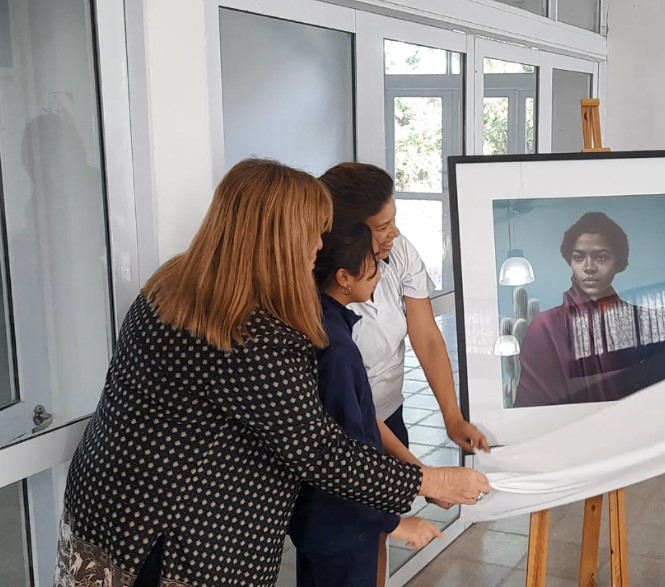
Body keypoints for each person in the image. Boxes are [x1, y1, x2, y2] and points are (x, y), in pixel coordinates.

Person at [55, 159, 490, 587]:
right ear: (276, 242)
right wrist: (431, 480)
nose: (320, 247)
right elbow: (321, 453)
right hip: (172, 538)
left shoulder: (173, 281)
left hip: (103, 504)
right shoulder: (254, 335)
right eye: (313, 235)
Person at [289, 224, 443, 587]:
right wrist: (398, 524)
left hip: (325, 524)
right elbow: (347, 454)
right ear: (344, 277)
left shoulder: (324, 327)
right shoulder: (338, 349)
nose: (380, 272)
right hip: (341, 529)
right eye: (372, 265)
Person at [319, 163, 489, 453]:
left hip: (389, 413)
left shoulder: (398, 251)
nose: (394, 233)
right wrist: (422, 475)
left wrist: (453, 417)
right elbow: (352, 402)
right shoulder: (325, 309)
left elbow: (426, 336)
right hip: (342, 429)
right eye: (382, 227)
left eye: (393, 220)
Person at [512, 211, 665, 408]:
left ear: (619, 262)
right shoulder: (545, 327)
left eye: (601, 257)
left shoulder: (650, 323)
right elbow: (531, 410)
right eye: (579, 257)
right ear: (570, 261)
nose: (589, 267)